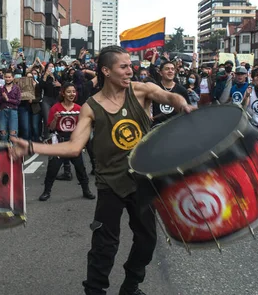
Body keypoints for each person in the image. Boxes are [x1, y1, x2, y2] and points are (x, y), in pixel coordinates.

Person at [11, 45, 195, 295]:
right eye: (124, 66)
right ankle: (95, 290)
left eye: (131, 65)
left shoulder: (141, 91)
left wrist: (183, 105)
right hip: (110, 183)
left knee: (146, 241)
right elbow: (75, 147)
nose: (130, 70)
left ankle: (130, 286)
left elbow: (171, 97)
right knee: (104, 245)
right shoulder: (90, 107)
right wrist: (33, 147)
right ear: (106, 71)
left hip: (142, 180)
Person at [39, 82, 95, 201]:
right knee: (52, 169)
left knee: (80, 168)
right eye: (69, 92)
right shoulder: (55, 108)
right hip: (59, 141)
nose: (72, 94)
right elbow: (51, 128)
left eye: (73, 92)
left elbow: (84, 127)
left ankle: (86, 190)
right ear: (63, 93)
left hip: (73, 142)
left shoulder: (79, 109)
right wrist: (55, 118)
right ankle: (46, 191)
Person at [151, 60, 190, 126]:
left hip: (176, 127)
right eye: (167, 69)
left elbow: (187, 109)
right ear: (160, 73)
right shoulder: (154, 88)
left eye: (172, 69)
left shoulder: (181, 90)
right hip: (157, 127)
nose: (170, 71)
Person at [0, 70, 21, 141]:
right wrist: (3, 98)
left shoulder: (16, 88)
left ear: (13, 78)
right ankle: (4, 150)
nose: (7, 79)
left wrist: (8, 99)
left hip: (13, 111)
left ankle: (13, 150)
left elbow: (18, 101)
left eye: (9, 77)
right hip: (2, 111)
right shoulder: (1, 88)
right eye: (6, 77)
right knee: (2, 133)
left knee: (13, 133)